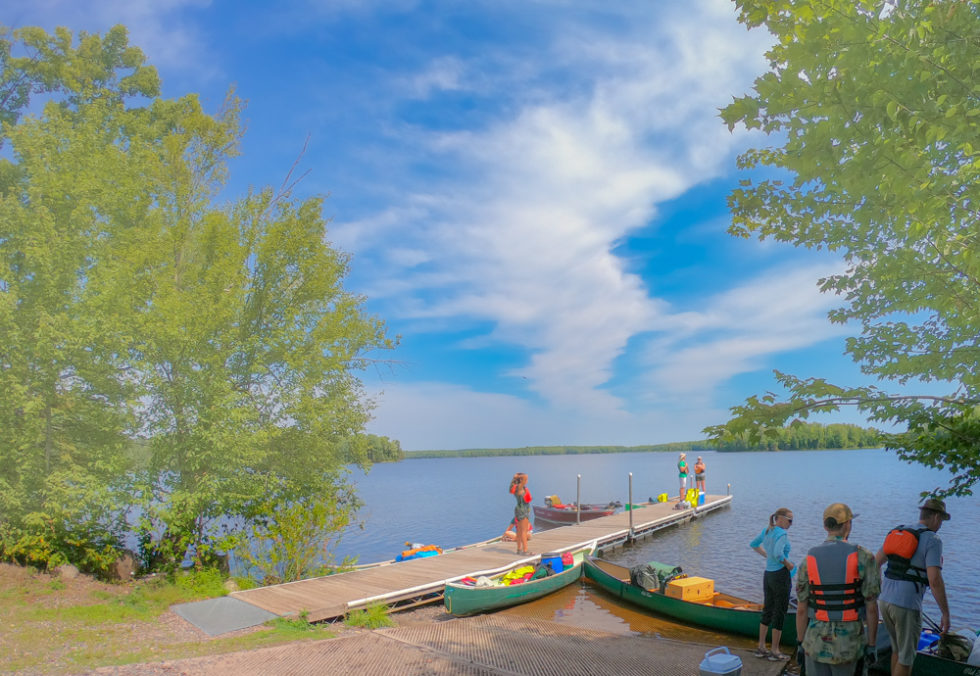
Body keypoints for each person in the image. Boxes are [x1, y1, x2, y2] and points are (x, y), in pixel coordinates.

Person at [796, 503, 880, 676]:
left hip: (815, 642)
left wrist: (800, 643)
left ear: (825, 526)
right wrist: (872, 645)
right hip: (849, 644)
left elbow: (802, 609)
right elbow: (871, 607)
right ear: (848, 524)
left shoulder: (808, 559)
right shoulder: (864, 556)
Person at [874, 497, 951, 676]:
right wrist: (945, 613)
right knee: (907, 658)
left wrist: (879, 589)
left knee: (897, 650)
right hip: (907, 605)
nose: (940, 525)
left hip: (885, 601)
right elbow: (935, 580)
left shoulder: (898, 531)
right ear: (937, 518)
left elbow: (875, 562)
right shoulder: (933, 539)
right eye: (941, 521)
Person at [749, 507, 795, 661]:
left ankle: (761, 647)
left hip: (768, 575)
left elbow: (754, 544)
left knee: (767, 609)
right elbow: (778, 553)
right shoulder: (782, 533)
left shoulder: (767, 530)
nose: (791, 524)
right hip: (780, 575)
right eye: (790, 520)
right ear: (780, 519)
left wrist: (766, 556)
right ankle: (775, 650)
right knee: (780, 611)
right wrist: (788, 564)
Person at [509, 472, 532, 555]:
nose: (527, 480)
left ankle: (519, 549)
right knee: (524, 531)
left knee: (519, 531)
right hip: (523, 510)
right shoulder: (520, 487)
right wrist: (517, 476)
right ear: (521, 480)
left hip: (518, 510)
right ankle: (525, 550)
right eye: (525, 480)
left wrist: (515, 477)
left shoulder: (516, 488)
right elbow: (526, 476)